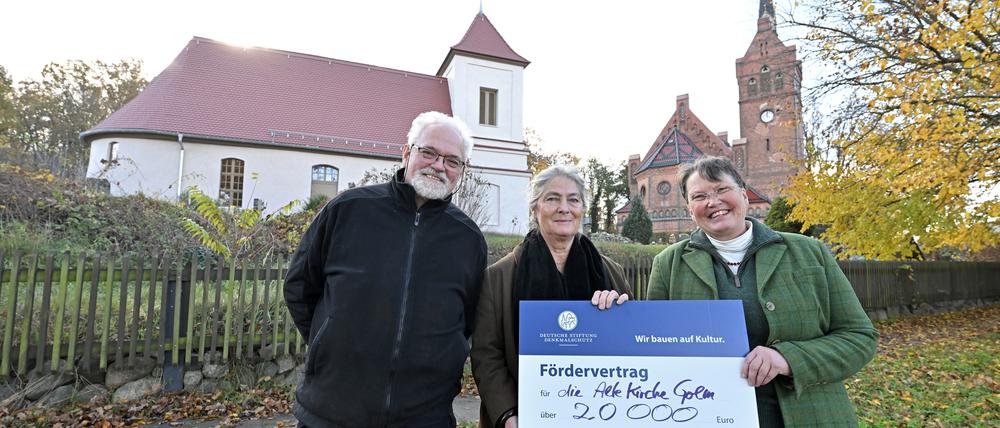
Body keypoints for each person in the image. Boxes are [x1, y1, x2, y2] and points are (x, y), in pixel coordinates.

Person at [284, 111, 487, 428]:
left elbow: (469, 319)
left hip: (424, 416)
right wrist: (331, 342)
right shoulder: (348, 210)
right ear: (406, 153)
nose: (439, 166)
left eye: (452, 160)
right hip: (332, 410)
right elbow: (300, 287)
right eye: (429, 152)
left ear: (462, 170)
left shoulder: (468, 239)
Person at [646, 156, 877, 427]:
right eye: (699, 196)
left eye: (722, 189)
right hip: (708, 416)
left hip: (813, 416)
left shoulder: (807, 252)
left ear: (744, 196)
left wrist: (786, 358)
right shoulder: (669, 264)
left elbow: (859, 337)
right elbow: (654, 349)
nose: (713, 202)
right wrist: (614, 311)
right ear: (689, 209)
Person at [471, 165, 632, 428]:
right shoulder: (497, 278)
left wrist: (623, 315)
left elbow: (631, 348)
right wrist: (507, 414)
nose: (564, 208)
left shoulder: (612, 273)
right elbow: (487, 355)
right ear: (535, 208)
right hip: (525, 418)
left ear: (582, 209)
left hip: (598, 414)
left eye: (573, 200)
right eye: (552, 198)